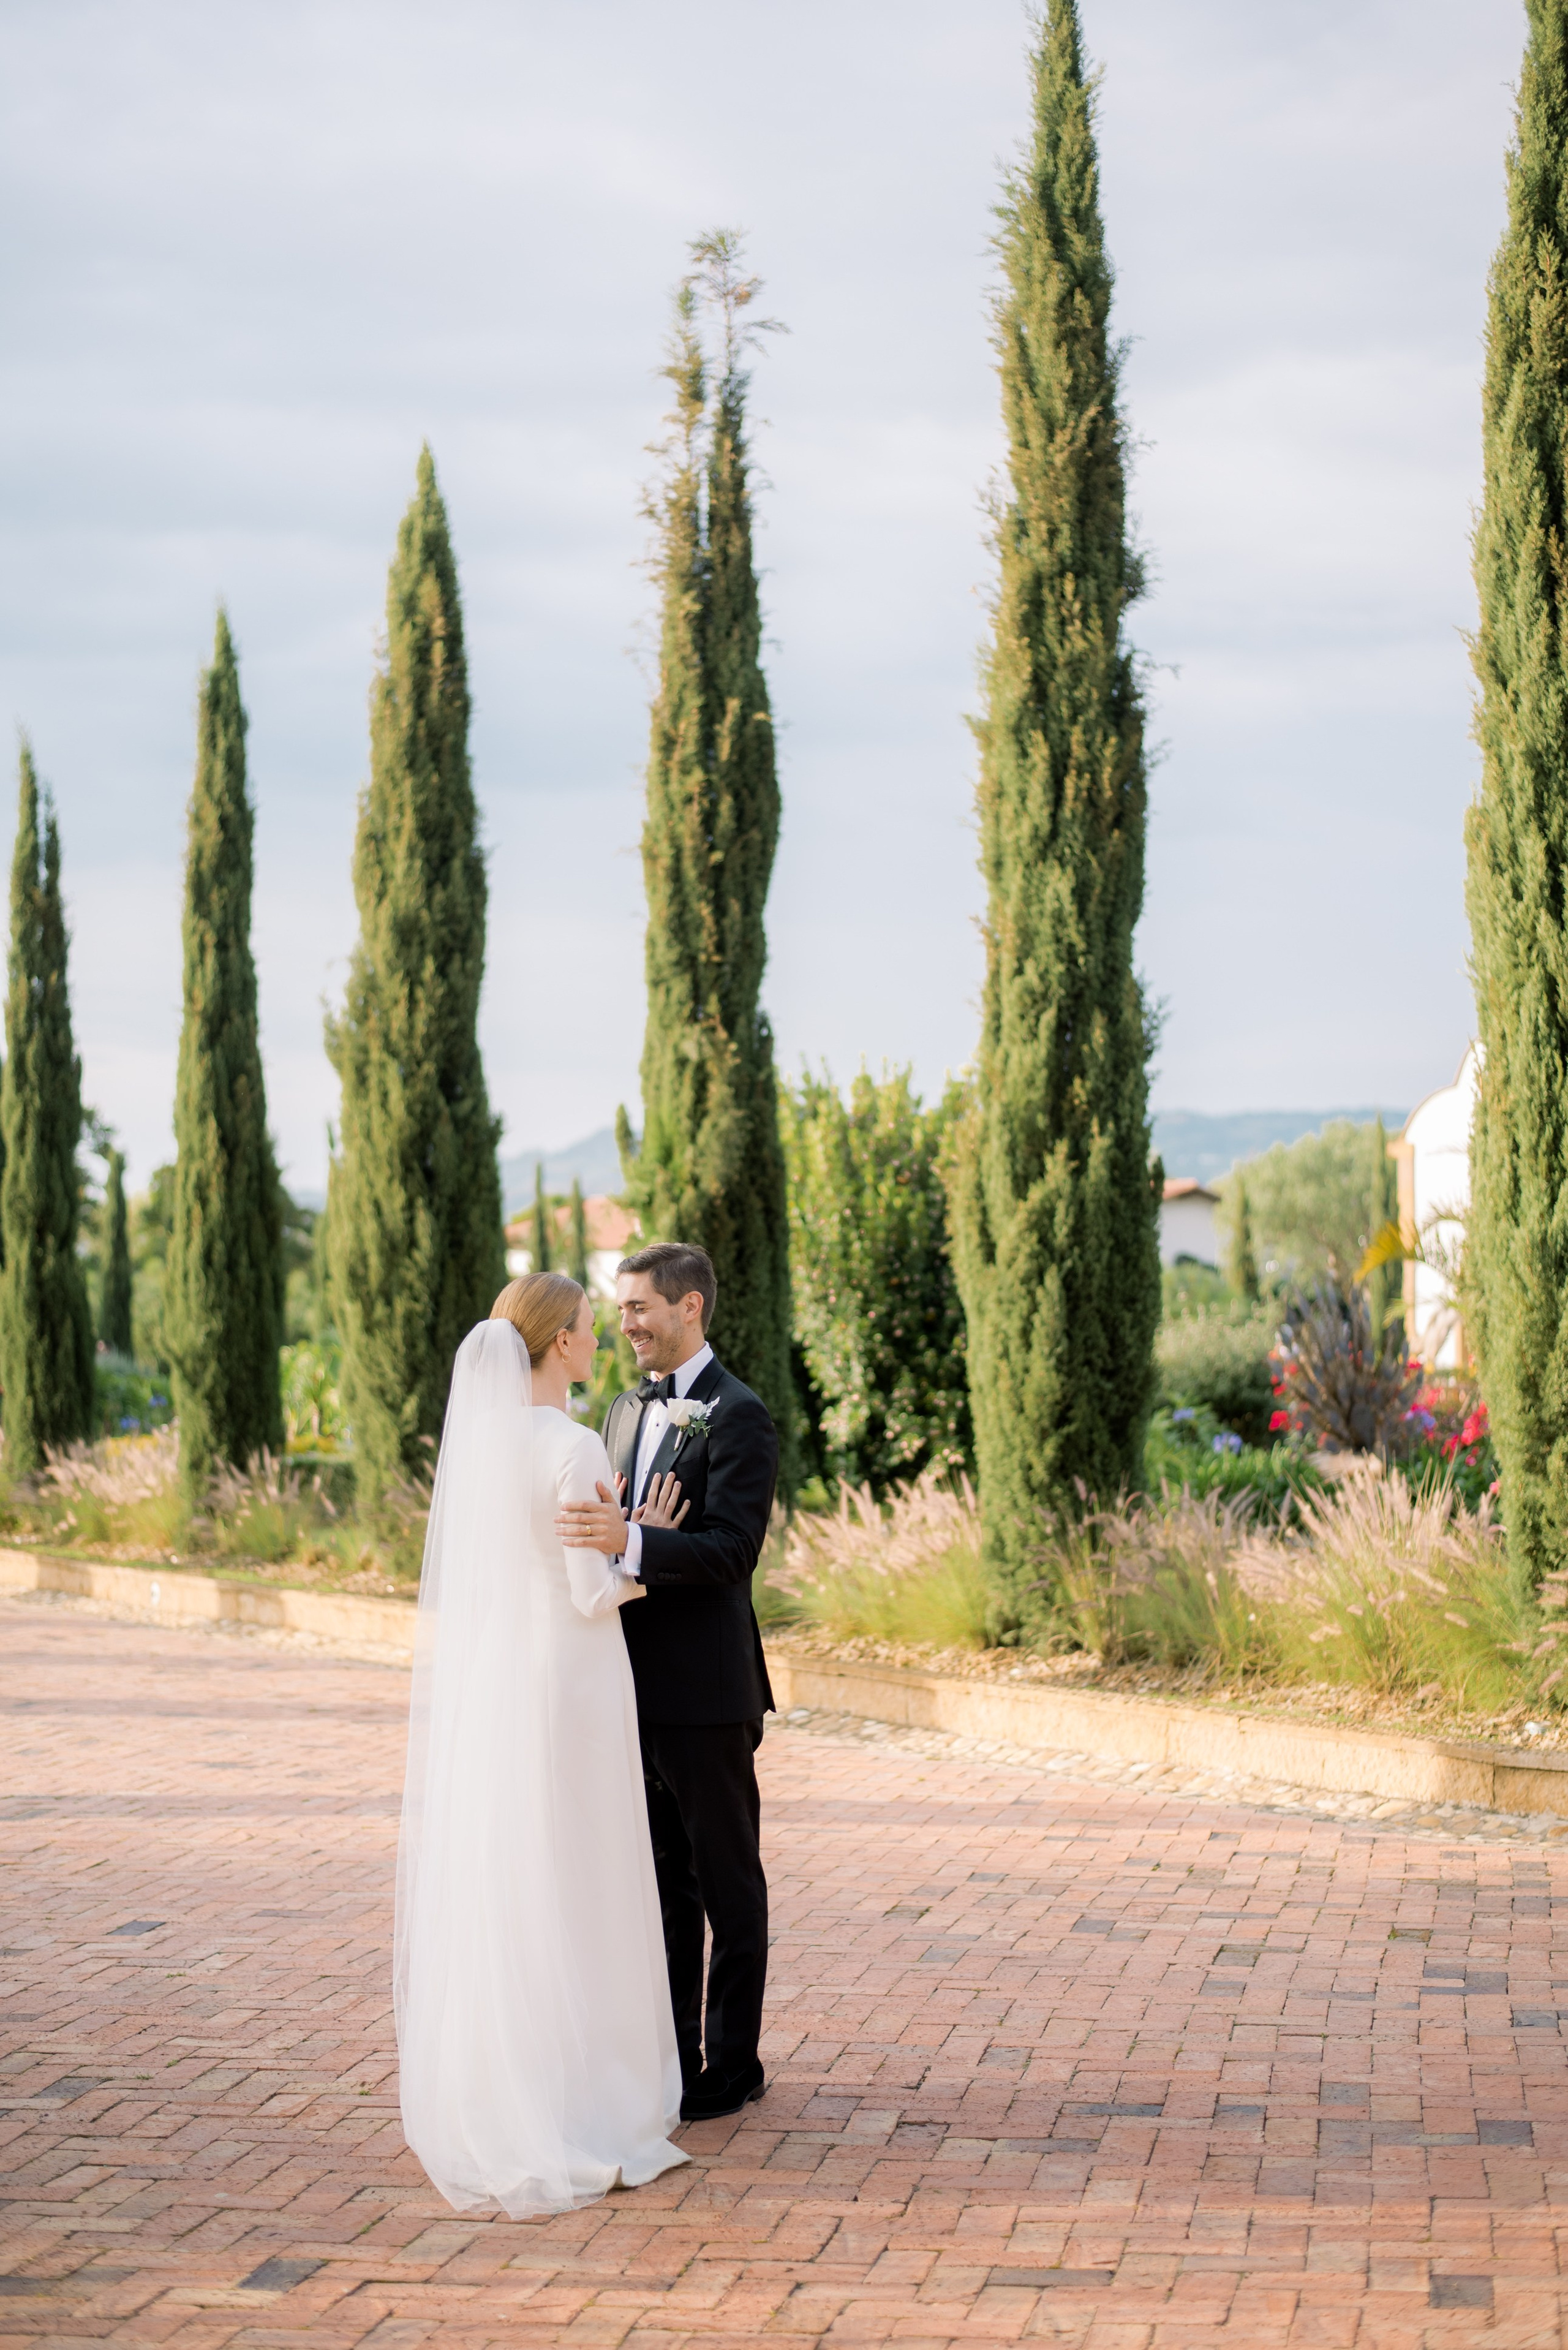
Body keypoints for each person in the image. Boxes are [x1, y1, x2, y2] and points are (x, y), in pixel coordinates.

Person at [394, 1271, 692, 2218]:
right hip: (574, 1682)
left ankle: (516, 2083)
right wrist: (645, 1539)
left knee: (519, 1871)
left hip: (501, 1683)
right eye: (593, 1330)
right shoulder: (570, 1449)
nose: (602, 1343)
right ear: (560, 1342)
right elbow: (591, 1591)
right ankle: (593, 2101)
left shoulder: (478, 1447)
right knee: (588, 1870)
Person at [557, 1241, 778, 2123]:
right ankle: (673, 2060)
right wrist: (627, 1537)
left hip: (709, 1692)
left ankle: (734, 2063)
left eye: (640, 1307)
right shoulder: (620, 1411)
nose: (626, 1324)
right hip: (628, 1686)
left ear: (690, 1308)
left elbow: (732, 1552)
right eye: (619, 1309)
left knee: (729, 1884)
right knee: (661, 1885)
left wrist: (634, 1542)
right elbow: (611, 1525)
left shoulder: (740, 1414)